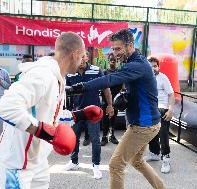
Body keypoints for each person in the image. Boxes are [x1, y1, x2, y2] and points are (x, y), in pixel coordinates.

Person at [0, 32, 103, 189]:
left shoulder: (58, 77)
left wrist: (81, 114)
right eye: (82, 56)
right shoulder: (42, 74)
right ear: (75, 54)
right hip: (17, 162)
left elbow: (51, 116)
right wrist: (44, 132)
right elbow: (5, 106)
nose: (82, 61)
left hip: (38, 160)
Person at [67, 29, 165, 189]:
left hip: (143, 126)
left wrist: (80, 87)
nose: (114, 53)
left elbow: (110, 78)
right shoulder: (135, 61)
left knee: (115, 165)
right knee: (137, 161)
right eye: (112, 48)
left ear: (130, 46)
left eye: (118, 48)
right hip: (146, 123)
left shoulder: (137, 65)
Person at [64, 51, 114, 179]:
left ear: (86, 57)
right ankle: (74, 162)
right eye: (78, 57)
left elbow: (106, 89)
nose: (81, 60)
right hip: (77, 112)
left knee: (95, 139)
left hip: (93, 112)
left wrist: (109, 105)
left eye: (83, 57)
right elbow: (64, 92)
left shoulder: (96, 71)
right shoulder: (70, 72)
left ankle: (96, 166)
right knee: (73, 138)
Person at [144, 57, 175, 174]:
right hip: (150, 109)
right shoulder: (145, 78)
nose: (153, 68)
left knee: (163, 133)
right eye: (150, 66)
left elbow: (171, 95)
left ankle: (166, 158)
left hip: (162, 108)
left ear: (159, 67)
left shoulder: (163, 78)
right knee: (150, 132)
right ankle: (154, 153)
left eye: (155, 66)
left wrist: (171, 110)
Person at [100, 52, 123, 146]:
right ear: (108, 61)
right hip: (106, 99)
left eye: (114, 60)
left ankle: (112, 135)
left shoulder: (119, 72)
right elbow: (102, 85)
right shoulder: (104, 72)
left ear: (117, 61)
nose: (112, 61)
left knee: (114, 118)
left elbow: (122, 84)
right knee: (105, 118)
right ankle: (104, 137)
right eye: (111, 60)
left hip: (116, 99)